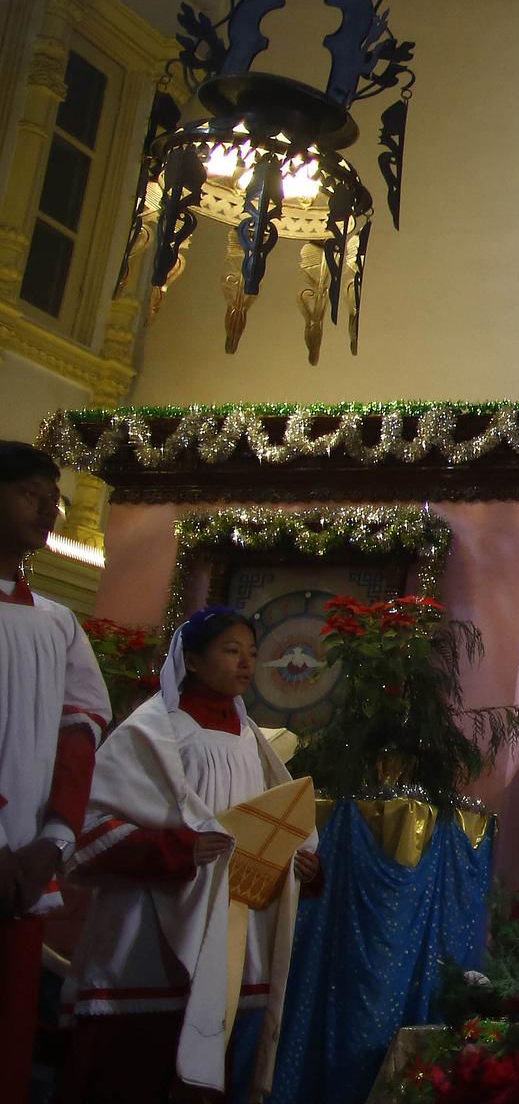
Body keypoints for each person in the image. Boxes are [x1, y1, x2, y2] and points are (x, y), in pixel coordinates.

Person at [62, 608, 320, 1100]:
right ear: (194, 660)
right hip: (145, 929)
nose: (246, 663)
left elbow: (273, 824)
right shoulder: (155, 731)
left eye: (251, 653)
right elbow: (91, 827)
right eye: (231, 650)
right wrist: (180, 848)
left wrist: (297, 862)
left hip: (221, 929)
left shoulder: (251, 742)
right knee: (124, 1073)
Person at [0, 442, 108, 1101]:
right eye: (31, 491)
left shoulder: (58, 624)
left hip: (26, 869)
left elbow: (81, 733)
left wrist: (55, 836)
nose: (50, 507)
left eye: (55, 496)